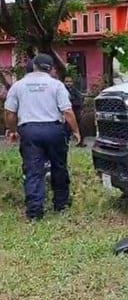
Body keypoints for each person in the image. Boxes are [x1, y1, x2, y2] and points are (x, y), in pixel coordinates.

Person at [4, 54, 81, 220]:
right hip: (54, 130)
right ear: (51, 68)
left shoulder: (18, 86)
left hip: (30, 131)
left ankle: (34, 212)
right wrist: (76, 131)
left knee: (33, 171)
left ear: (34, 66)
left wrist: (13, 130)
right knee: (59, 166)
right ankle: (61, 205)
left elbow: (10, 112)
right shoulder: (57, 85)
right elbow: (67, 111)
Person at [63, 75, 86, 147]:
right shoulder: (63, 90)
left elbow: (80, 98)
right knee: (66, 127)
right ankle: (65, 143)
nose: (68, 83)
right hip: (67, 111)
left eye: (70, 82)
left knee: (80, 126)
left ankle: (80, 142)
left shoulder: (74, 90)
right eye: (66, 82)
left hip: (76, 110)